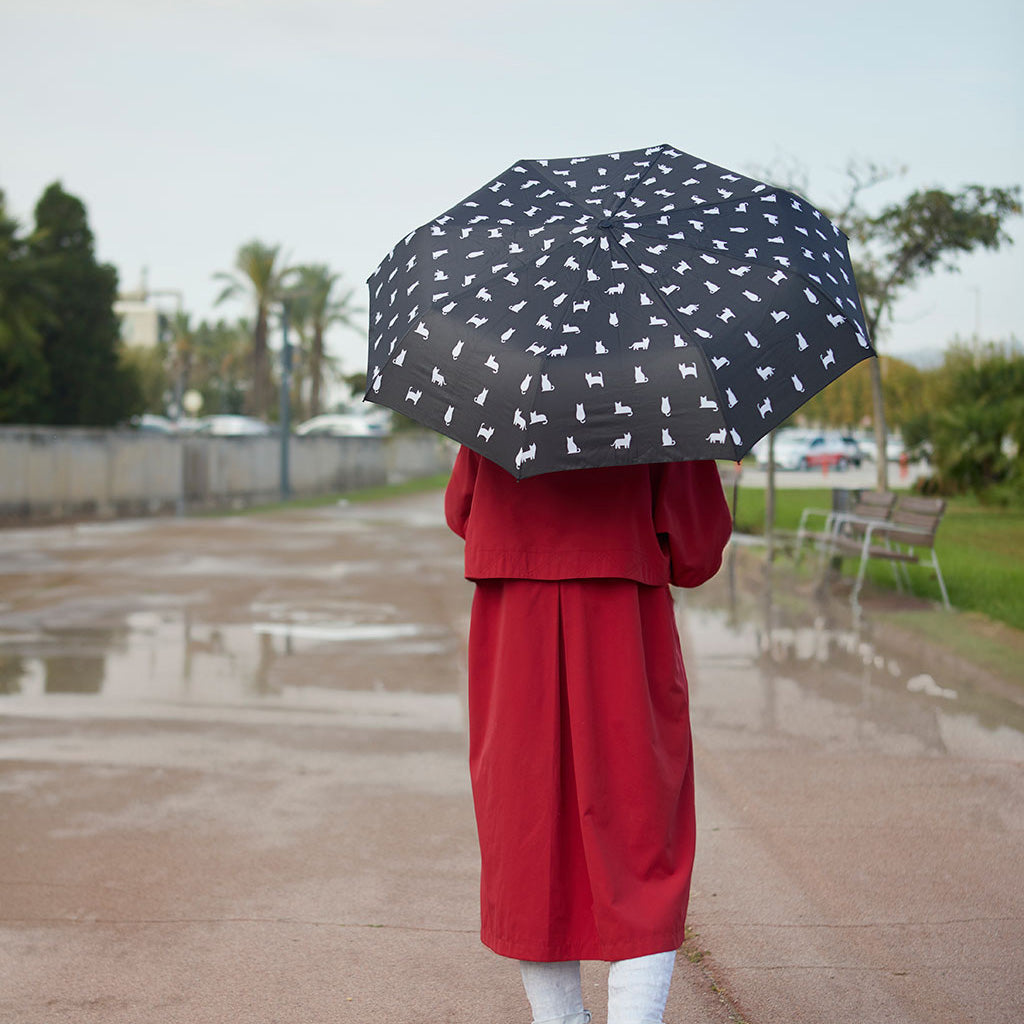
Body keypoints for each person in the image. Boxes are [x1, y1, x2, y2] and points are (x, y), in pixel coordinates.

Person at [444, 447, 733, 1024]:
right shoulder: (663, 401)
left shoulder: (507, 389)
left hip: (515, 635)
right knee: (642, 839)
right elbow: (697, 555)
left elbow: (461, 512)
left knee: (528, 839)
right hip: (621, 631)